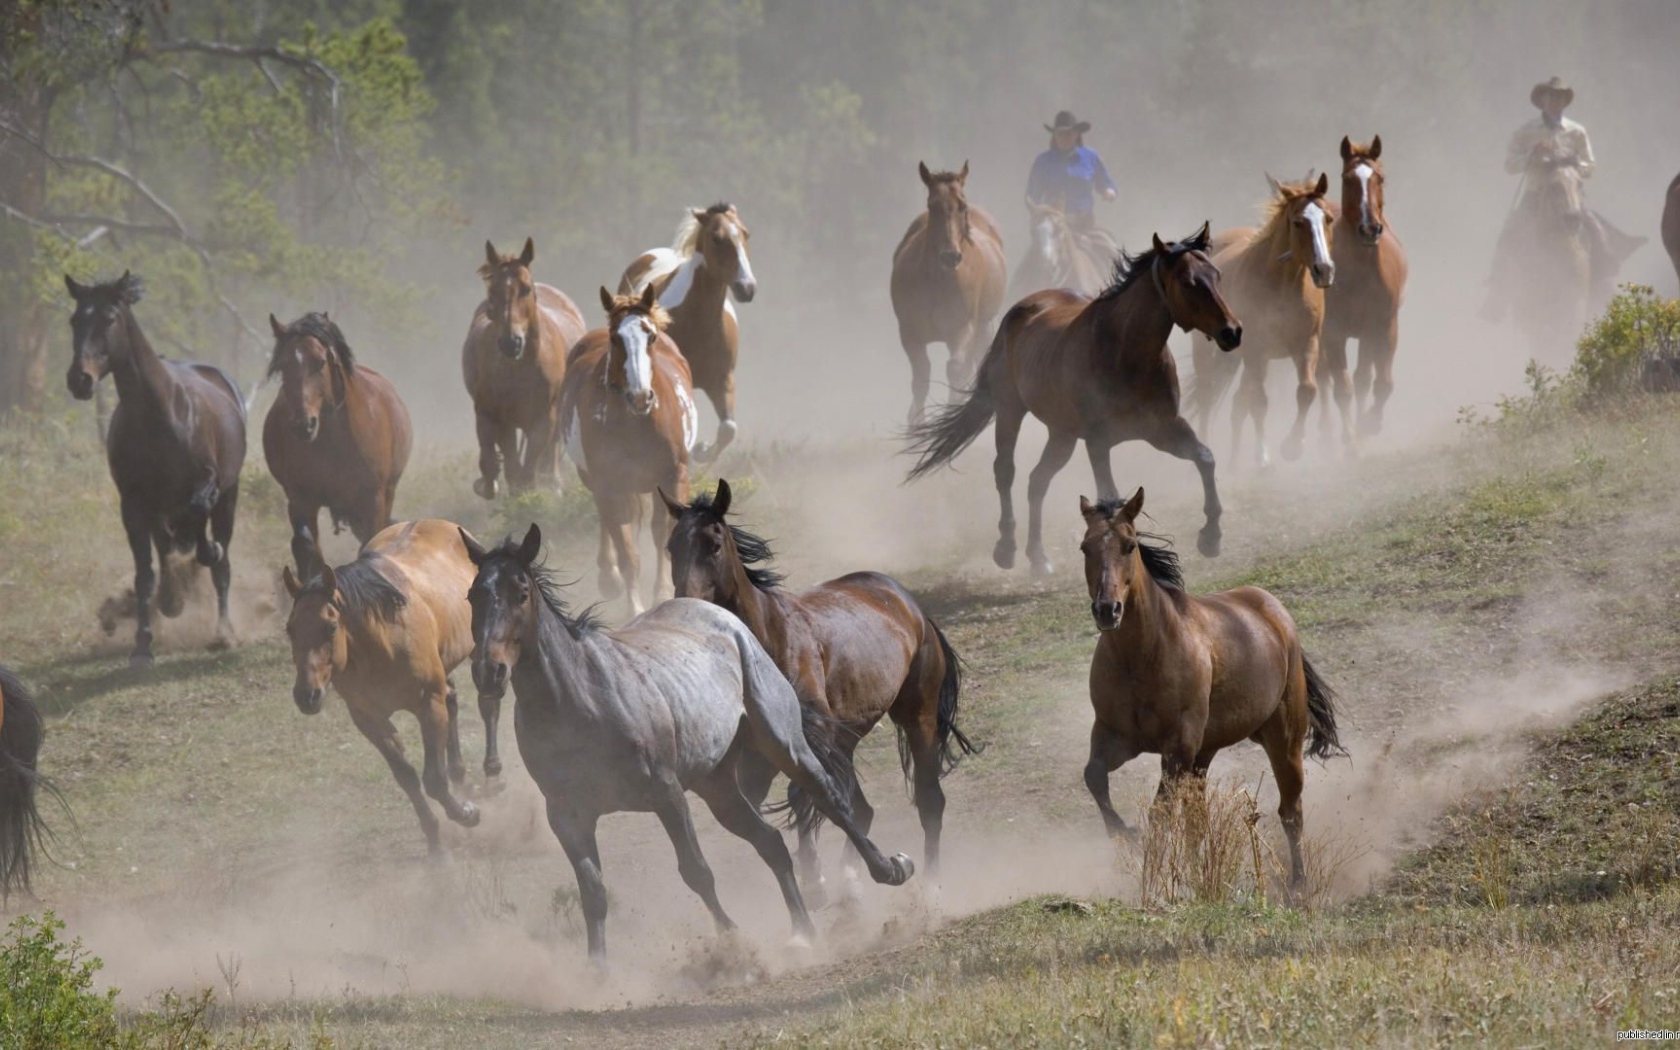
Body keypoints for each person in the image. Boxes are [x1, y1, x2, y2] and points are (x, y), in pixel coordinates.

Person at [1483, 77, 1641, 320]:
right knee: (1510, 235)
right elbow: (1509, 164)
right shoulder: (1526, 132)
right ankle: (1497, 297)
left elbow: (1590, 166)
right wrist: (1532, 157)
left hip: (1570, 195)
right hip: (1537, 196)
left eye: (1559, 97)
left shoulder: (1577, 132)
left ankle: (1603, 288)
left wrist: (1573, 160)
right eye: (1551, 96)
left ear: (1565, 101)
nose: (1555, 101)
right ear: (1542, 100)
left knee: (1596, 233)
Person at [1026, 110, 1119, 256]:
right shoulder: (1042, 162)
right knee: (1032, 264)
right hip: (1052, 226)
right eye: (1060, 134)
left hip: (1084, 225)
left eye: (1069, 133)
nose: (1064, 138)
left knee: (1112, 252)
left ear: (1076, 135)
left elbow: (1106, 182)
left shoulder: (1091, 157)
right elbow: (1032, 195)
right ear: (1054, 136)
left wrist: (1109, 191)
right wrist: (1038, 210)